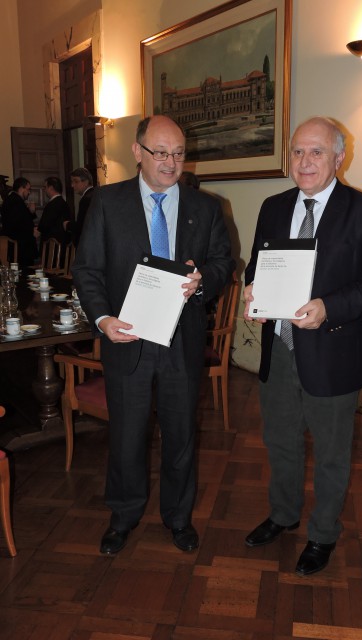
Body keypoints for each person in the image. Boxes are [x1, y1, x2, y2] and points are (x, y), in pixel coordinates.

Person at [72, 115, 234, 556]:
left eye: (178, 153)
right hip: (127, 338)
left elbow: (223, 262)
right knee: (127, 436)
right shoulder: (107, 203)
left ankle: (178, 518)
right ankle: (123, 516)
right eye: (160, 152)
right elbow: (87, 270)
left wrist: (203, 281)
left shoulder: (206, 207)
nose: (170, 162)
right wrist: (103, 320)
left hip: (182, 340)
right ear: (137, 152)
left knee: (181, 436)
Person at [243, 116, 362, 576]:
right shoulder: (273, 206)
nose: (305, 161)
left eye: (316, 152)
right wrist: (253, 289)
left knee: (331, 452)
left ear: (339, 158)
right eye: (297, 151)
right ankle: (283, 514)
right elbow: (258, 265)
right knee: (280, 441)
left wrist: (329, 307)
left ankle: (323, 533)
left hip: (332, 349)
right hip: (279, 346)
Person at [0, 177, 38, 267]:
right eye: (28, 189)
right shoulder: (16, 201)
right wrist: (32, 231)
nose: (29, 192)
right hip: (20, 247)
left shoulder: (14, 200)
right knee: (23, 272)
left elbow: (22, 219)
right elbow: (18, 224)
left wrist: (31, 212)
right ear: (21, 188)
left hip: (19, 246)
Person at [38, 176, 72, 248]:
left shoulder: (53, 204)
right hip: (60, 243)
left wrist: (38, 229)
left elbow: (45, 224)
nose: (44, 189)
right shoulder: (62, 202)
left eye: (45, 187)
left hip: (52, 245)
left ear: (51, 188)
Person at [65, 167, 94, 246]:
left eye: (76, 181)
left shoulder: (86, 199)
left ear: (86, 182)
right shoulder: (96, 194)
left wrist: (68, 225)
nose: (72, 185)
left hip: (87, 244)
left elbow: (82, 226)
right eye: (72, 182)